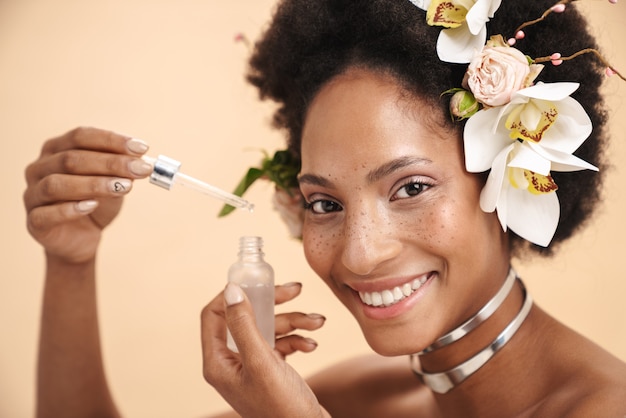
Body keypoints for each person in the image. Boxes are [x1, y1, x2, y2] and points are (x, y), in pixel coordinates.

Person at [23, 0, 626, 417]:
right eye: (325, 202)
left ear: (515, 174)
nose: (361, 253)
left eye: (411, 187)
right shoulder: (362, 400)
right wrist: (71, 262)